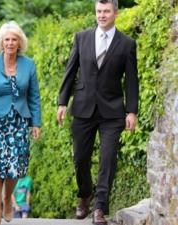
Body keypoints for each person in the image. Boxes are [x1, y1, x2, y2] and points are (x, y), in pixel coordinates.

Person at [56, 1, 139, 224]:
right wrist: (62, 102)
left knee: (108, 159)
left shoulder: (127, 43)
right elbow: (70, 71)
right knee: (80, 159)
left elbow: (132, 80)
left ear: (116, 13)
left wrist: (132, 111)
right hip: (83, 107)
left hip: (112, 110)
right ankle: (85, 194)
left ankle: (100, 208)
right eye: (99, 11)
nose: (102, 15)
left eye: (106, 11)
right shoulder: (81, 38)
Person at [0, 21, 42, 225]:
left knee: (16, 167)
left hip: (19, 121)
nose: (10, 43)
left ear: (19, 43)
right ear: (1, 42)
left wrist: (36, 123)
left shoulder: (28, 64)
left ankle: (8, 200)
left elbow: (34, 96)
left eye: (14, 39)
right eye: (7, 39)